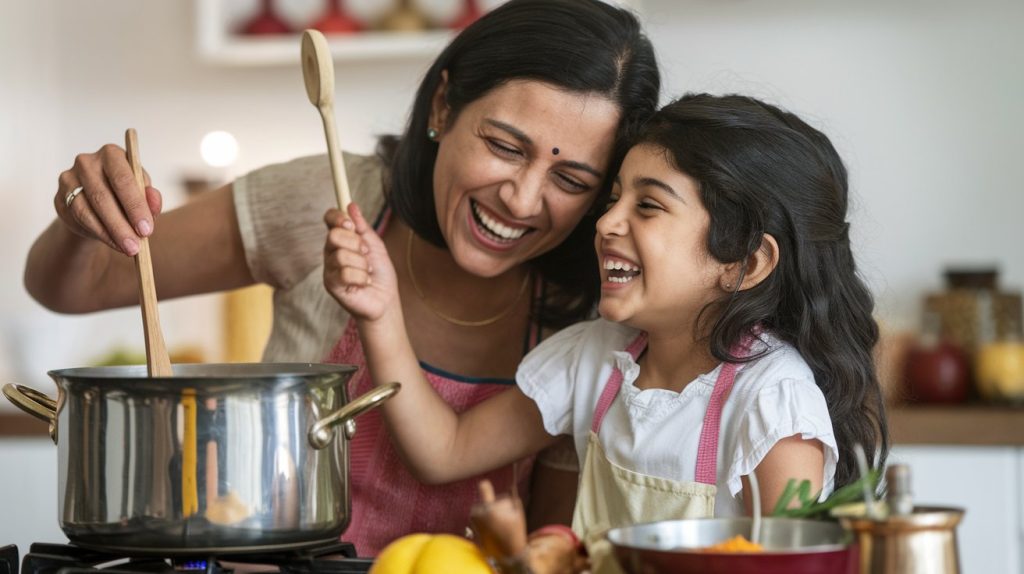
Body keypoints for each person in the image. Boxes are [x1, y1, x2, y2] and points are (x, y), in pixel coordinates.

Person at [24, 0, 660, 556]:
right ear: (444, 105)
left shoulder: (596, 311)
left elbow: (552, 543)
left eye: (571, 180)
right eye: (504, 146)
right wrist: (83, 216)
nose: (522, 201)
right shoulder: (325, 198)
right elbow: (67, 288)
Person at [324, 93, 889, 569]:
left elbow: (791, 566)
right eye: (615, 197)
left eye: (648, 206)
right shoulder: (595, 358)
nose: (607, 221)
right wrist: (380, 311)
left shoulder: (771, 398)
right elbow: (442, 450)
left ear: (745, 261)